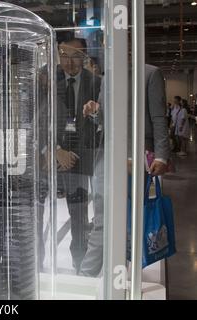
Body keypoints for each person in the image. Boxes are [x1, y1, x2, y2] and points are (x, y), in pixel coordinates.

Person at [80, 64, 171, 277]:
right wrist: (95, 111)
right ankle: (90, 274)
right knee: (102, 218)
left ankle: (122, 273)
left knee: (130, 219)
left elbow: (158, 118)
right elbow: (104, 120)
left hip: (137, 156)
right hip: (107, 155)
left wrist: (161, 156)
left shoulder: (150, 73)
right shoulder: (108, 75)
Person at [56, 37, 101, 273]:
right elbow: (41, 119)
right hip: (54, 157)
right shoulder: (49, 81)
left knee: (81, 211)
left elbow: (101, 124)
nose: (69, 61)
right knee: (70, 209)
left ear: (84, 58)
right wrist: (55, 150)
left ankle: (81, 259)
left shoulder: (97, 83)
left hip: (87, 156)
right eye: (64, 55)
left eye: (75, 56)